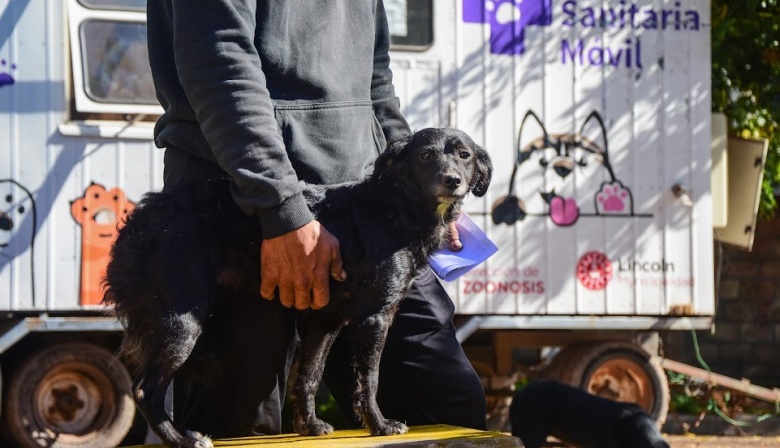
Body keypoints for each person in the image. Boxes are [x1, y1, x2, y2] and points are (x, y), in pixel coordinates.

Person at [145, 0, 487, 438]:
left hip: (366, 208)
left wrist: (420, 187)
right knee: (241, 424)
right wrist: (282, 210)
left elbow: (376, 79)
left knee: (447, 407)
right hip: (237, 203)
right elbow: (219, 59)